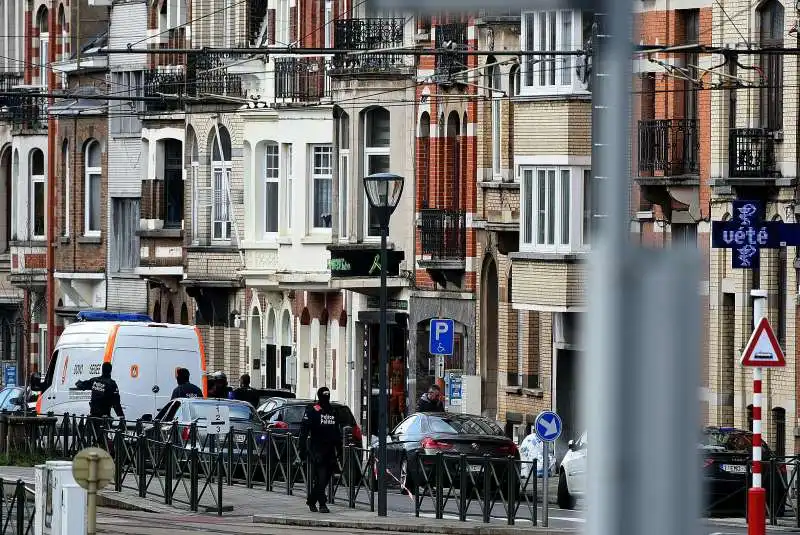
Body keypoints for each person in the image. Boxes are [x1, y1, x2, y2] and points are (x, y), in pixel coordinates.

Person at [299, 386, 342, 513]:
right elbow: (304, 431)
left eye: (327, 395)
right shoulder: (313, 410)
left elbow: (336, 432)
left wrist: (339, 449)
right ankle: (322, 503)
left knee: (326, 478)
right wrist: (302, 449)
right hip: (317, 449)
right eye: (324, 395)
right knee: (322, 478)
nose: (326, 398)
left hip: (330, 450)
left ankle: (312, 500)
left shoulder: (333, 411)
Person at [75, 362, 125, 443]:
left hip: (94, 415)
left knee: (95, 438)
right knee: (102, 439)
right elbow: (116, 403)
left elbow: (81, 385)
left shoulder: (95, 381)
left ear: (102, 370)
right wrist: (121, 416)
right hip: (104, 417)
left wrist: (78, 383)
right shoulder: (111, 384)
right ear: (110, 371)